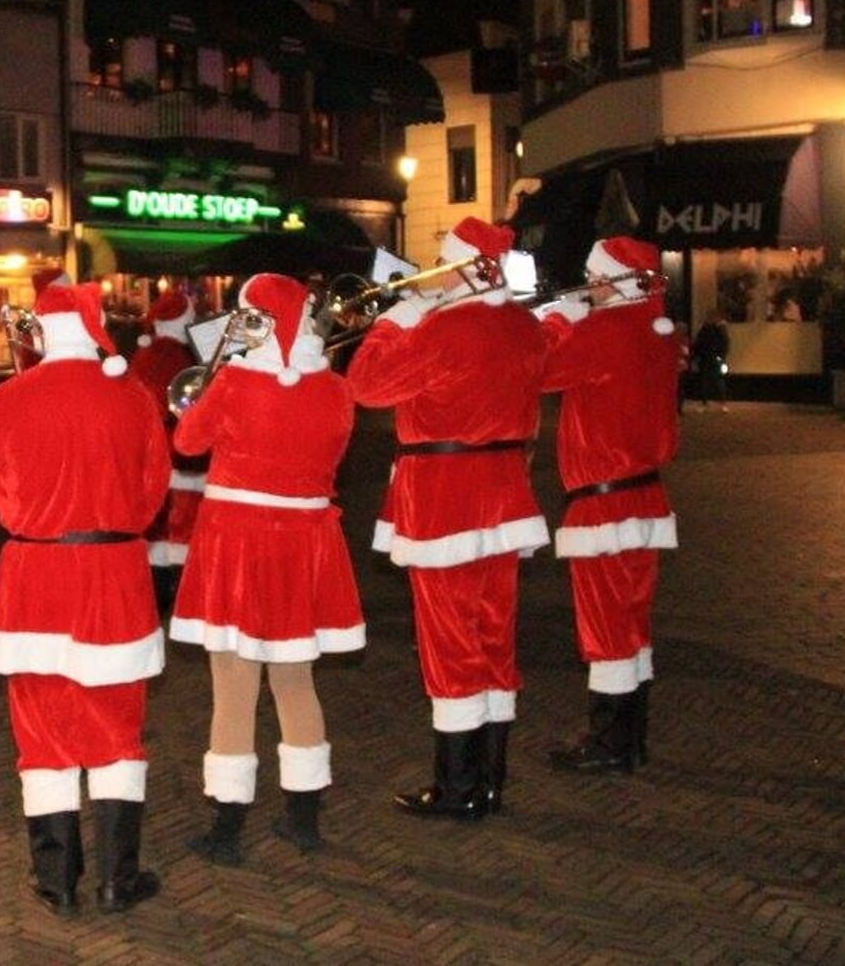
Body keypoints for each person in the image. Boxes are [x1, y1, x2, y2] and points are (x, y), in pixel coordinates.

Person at [0, 281, 171, 915]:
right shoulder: (132, 396)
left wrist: (36, 517)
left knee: (42, 732)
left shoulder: (6, 398)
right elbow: (153, 489)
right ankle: (117, 877)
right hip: (113, 574)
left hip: (34, 577)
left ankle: (56, 880)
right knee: (116, 729)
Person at [345, 217, 549, 820]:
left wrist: (396, 320)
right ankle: (491, 781)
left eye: (441, 258)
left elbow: (365, 385)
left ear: (462, 266)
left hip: (444, 501)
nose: (431, 267)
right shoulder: (523, 326)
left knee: (450, 640)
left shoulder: (442, 329)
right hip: (505, 497)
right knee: (492, 636)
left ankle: (458, 787)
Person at [170, 273, 364, 864]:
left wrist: (223, 365)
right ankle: (303, 818)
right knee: (295, 682)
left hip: (237, 541)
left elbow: (186, 441)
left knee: (233, 688)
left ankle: (227, 827)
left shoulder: (231, 384)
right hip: (305, 543)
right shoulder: (335, 391)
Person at [536, 237, 680, 774]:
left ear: (610, 279)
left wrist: (558, 321)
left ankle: (608, 742)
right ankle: (630, 735)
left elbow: (540, 372)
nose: (590, 286)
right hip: (644, 496)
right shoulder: (654, 331)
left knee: (603, 624)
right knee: (633, 622)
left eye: (596, 278)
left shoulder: (604, 330)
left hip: (605, 502)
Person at [125, 288, 201, 614]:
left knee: (155, 529)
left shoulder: (144, 355)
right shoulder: (179, 357)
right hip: (178, 451)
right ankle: (184, 593)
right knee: (182, 524)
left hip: (149, 452)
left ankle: (155, 594)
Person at [691, 310, 730, 411]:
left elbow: (724, 344)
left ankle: (717, 403)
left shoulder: (715, 329)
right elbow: (724, 344)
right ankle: (713, 403)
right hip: (709, 357)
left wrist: (721, 356)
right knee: (711, 380)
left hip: (710, 357)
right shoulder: (716, 329)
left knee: (714, 380)